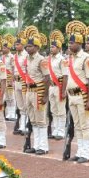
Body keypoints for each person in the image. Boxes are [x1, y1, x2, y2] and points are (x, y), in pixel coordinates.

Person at [62, 21, 89, 163]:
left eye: (72, 43)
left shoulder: (86, 58)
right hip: (72, 96)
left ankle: (86, 154)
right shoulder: (70, 59)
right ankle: (80, 151)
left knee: (85, 125)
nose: (69, 45)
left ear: (79, 43)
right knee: (77, 125)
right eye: (69, 43)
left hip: (82, 95)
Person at [22, 27, 50, 155]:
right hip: (29, 91)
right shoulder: (27, 59)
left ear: (37, 47)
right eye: (26, 46)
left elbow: (46, 78)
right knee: (32, 119)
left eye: (30, 46)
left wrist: (45, 95)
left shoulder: (41, 60)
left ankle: (43, 147)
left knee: (41, 120)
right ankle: (36, 145)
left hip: (38, 91)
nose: (27, 48)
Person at [47, 30, 67, 140]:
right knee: (53, 110)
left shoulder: (62, 60)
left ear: (59, 48)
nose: (51, 48)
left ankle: (61, 131)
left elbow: (65, 76)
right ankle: (55, 129)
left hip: (59, 86)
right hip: (51, 86)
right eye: (51, 47)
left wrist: (63, 91)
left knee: (61, 110)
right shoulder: (48, 59)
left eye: (53, 47)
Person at [12, 34, 29, 135]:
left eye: (18, 44)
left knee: (26, 105)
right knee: (20, 106)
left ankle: (26, 125)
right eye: (15, 44)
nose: (16, 46)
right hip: (16, 82)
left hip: (23, 81)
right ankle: (22, 125)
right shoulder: (15, 56)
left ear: (23, 45)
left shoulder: (26, 55)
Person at [1, 35, 17, 120]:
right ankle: (9, 113)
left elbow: (14, 68)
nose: (2, 49)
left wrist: (12, 79)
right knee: (6, 96)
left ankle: (13, 113)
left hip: (9, 77)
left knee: (11, 96)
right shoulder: (3, 57)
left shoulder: (11, 57)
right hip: (4, 78)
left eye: (4, 48)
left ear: (8, 48)